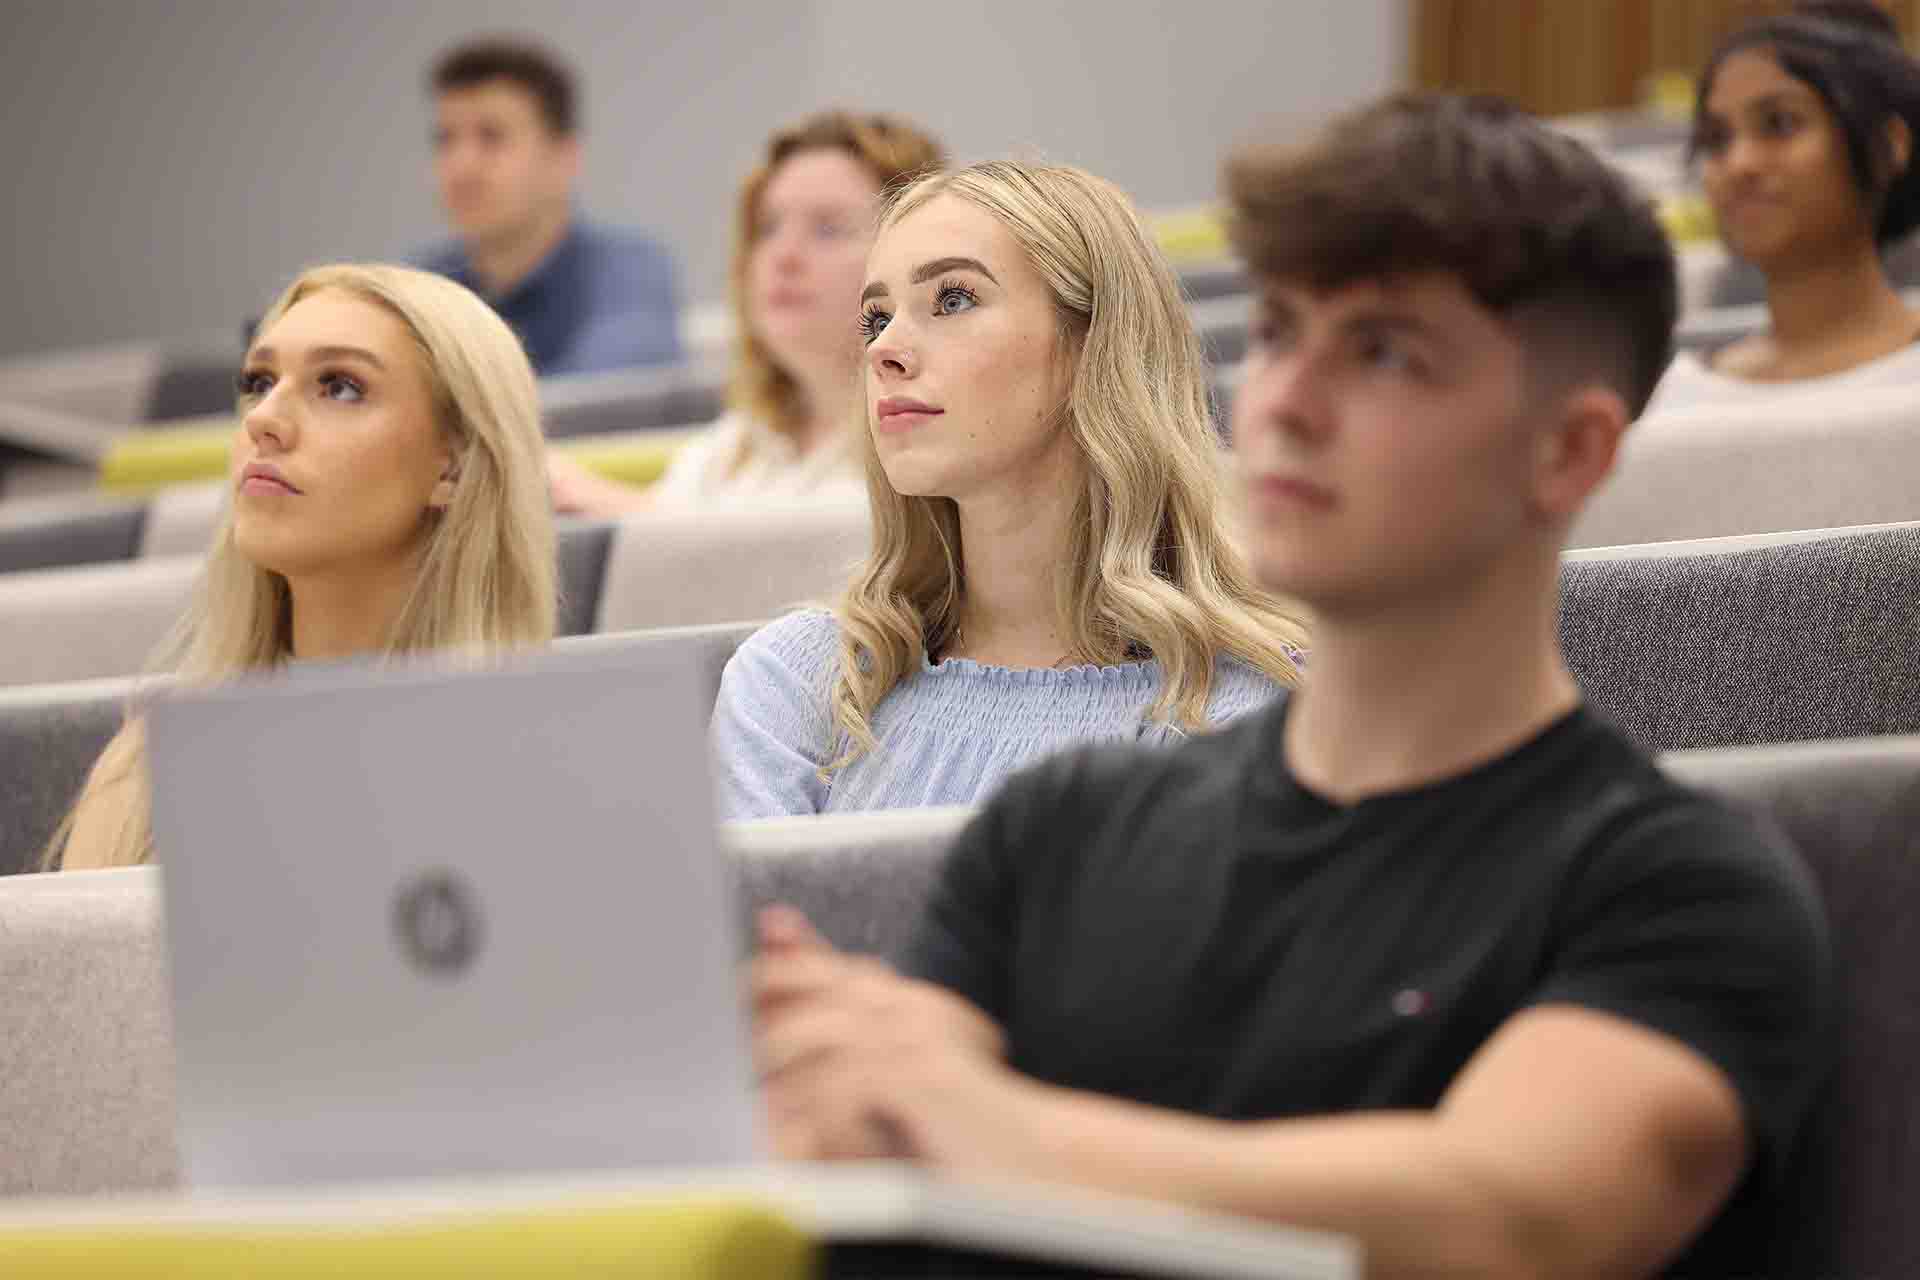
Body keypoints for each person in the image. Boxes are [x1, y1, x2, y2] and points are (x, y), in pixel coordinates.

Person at [751, 95, 1831, 1280]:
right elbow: (871, 1156)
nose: (1285, 401)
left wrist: (993, 1130)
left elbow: (1511, 1216)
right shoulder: (1056, 831)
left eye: (1381, 352)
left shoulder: (1677, 884)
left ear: (1567, 450)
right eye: (1276, 332)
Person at [711, 161, 1307, 818]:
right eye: (875, 318)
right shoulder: (800, 682)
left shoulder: (1246, 709)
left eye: (953, 300)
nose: (886, 350)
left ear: (1091, 343)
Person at [48, 264, 556, 871]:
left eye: (339, 386)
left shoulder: (550, 766)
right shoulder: (144, 777)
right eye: (260, 382)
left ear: (450, 468)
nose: (263, 419)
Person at [548, 111, 945, 515]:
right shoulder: (732, 446)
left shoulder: (928, 446)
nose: (784, 256)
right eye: (768, 227)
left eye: (828, 229)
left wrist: (615, 506)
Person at [1651, 0, 1920, 413]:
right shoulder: (1675, 404)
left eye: (1780, 124)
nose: (1739, 165)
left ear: (1886, 147)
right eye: (1717, 138)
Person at [417, 36, 682, 377]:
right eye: (445, 140)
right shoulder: (423, 285)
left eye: (492, 137)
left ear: (564, 158)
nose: (462, 166)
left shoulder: (631, 272)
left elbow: (601, 401)